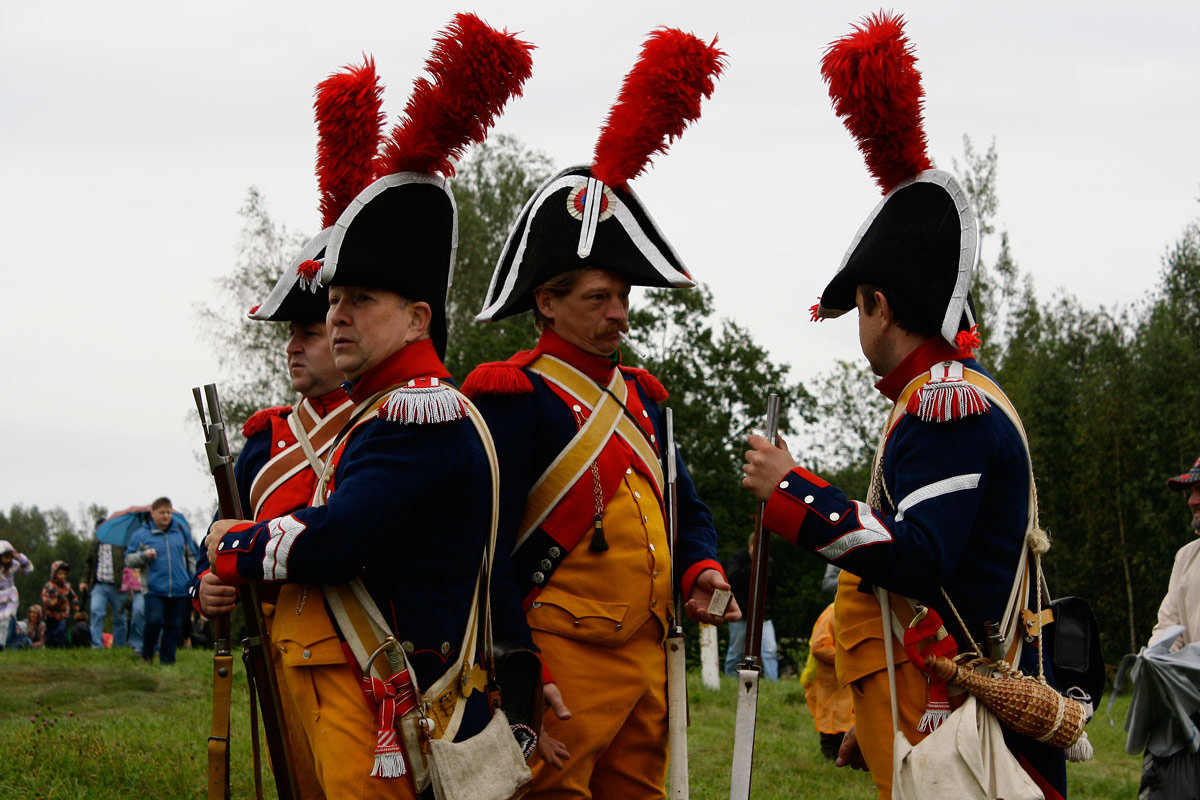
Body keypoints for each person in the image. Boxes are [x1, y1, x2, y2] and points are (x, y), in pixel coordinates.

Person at [202, 16, 533, 797]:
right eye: (337, 299)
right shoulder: (381, 412)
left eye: (363, 299)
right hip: (338, 683)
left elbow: (334, 539)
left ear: (419, 318)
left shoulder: (420, 416)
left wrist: (231, 545)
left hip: (384, 696)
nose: (340, 315)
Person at [741, 13, 1067, 799]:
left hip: (971, 721)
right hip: (941, 706)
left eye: (858, 307)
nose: (858, 324)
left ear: (880, 304)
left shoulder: (942, 405)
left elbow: (922, 560)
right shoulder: (942, 397)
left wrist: (792, 488)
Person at [466, 29, 736, 798]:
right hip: (564, 656)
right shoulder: (513, 393)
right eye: (597, 298)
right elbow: (486, 550)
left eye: (621, 297)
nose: (618, 313)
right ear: (546, 303)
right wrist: (521, 667)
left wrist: (703, 566)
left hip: (648, 653)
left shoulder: (646, 397)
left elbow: (686, 508)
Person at [190, 58, 365, 800]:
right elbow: (223, 536)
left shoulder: (386, 424)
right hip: (280, 654)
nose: (295, 345)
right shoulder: (262, 438)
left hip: (365, 656)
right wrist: (210, 588)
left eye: (312, 331)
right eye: (290, 334)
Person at [1138, 455, 1200, 797]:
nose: (1192, 500)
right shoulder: (1186, 557)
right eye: (1191, 491)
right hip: (1186, 721)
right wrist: (1155, 664)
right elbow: (1167, 631)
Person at [125, 498, 197, 664]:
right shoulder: (141, 535)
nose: (166, 516)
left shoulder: (181, 531)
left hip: (180, 588)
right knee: (154, 621)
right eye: (162, 512)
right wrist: (143, 556)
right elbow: (128, 559)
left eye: (168, 512)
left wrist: (193, 578)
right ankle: (147, 655)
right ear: (153, 513)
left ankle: (168, 661)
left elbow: (192, 556)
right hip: (153, 588)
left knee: (173, 626)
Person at [801, 603, 854, 760]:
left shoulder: (856, 610)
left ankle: (846, 756)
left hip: (845, 681)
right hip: (829, 681)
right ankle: (829, 756)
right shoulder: (832, 613)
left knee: (847, 721)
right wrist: (846, 659)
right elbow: (818, 647)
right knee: (829, 721)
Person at [723, 533, 779, 680]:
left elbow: (771, 588)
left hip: (763, 614)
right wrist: (754, 563)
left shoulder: (769, 562)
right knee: (735, 651)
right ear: (750, 545)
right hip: (741, 612)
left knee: (770, 650)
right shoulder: (737, 559)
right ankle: (730, 679)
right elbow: (733, 579)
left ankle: (773, 682)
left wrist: (771, 610)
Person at [81, 519, 128, 648]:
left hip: (118, 586)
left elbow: (129, 562)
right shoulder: (95, 544)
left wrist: (130, 584)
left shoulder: (120, 542)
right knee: (96, 611)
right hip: (99, 585)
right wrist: (84, 581)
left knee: (120, 618)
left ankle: (119, 646)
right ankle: (97, 645)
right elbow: (89, 563)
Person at [0, 540, 33, 649]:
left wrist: (19, 556)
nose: (8, 558)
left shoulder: (13, 565)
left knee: (8, 621)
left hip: (10, 600)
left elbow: (29, 569)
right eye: (5, 556)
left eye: (10, 556)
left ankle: (5, 644)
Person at [40, 560, 78, 648]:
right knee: (50, 632)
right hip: (50, 615)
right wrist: (53, 602)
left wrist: (76, 604)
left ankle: (61, 646)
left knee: (61, 630)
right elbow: (44, 597)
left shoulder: (67, 586)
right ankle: (50, 646)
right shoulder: (49, 586)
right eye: (60, 573)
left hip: (63, 614)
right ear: (54, 573)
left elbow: (72, 596)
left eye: (64, 574)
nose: (62, 576)